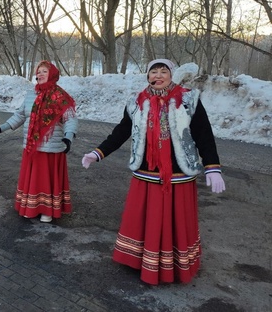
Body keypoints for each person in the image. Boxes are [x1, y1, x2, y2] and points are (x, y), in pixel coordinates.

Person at [82, 58, 226, 285]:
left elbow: (204, 135)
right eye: (153, 72)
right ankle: (141, 260)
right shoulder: (136, 102)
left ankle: (173, 266)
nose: (158, 76)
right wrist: (98, 153)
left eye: (163, 71)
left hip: (179, 174)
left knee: (174, 221)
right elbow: (121, 132)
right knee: (144, 219)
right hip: (146, 172)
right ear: (148, 76)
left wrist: (212, 168)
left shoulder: (189, 99)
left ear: (171, 75)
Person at [0, 60, 78, 223]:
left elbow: (70, 118)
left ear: (52, 74)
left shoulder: (60, 96)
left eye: (44, 71)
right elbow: (20, 115)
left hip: (51, 148)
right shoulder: (31, 94)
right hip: (32, 146)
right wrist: (2, 128)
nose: (40, 74)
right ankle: (31, 208)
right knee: (33, 180)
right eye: (38, 72)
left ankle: (47, 211)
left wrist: (68, 136)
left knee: (46, 180)